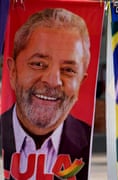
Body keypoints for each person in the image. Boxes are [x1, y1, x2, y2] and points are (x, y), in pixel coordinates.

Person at [0, 8, 91, 179]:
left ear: (81, 82)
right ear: (12, 71)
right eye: (39, 64)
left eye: (68, 70)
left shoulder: (88, 140)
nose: (53, 81)